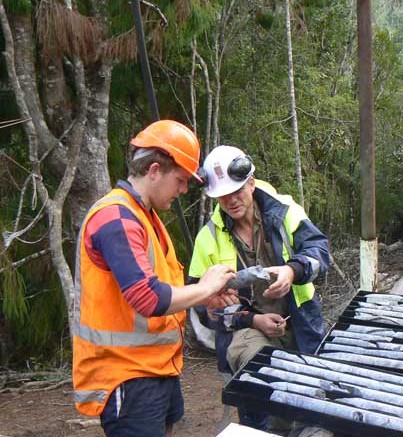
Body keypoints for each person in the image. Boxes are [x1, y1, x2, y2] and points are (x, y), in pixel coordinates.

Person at [71, 120, 239, 437]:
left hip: (156, 368)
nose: (184, 189)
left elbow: (161, 287)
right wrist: (204, 287)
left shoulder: (144, 218)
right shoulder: (115, 217)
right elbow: (148, 298)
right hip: (127, 375)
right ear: (154, 170)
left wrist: (204, 297)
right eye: (180, 180)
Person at [188, 145, 330, 430]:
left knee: (312, 399)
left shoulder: (287, 212)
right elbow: (202, 308)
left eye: (237, 191)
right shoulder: (208, 239)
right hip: (244, 331)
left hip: (301, 322)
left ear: (251, 183)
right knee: (267, 380)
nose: (231, 200)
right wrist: (254, 320)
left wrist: (292, 271)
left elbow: (320, 252)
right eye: (222, 196)